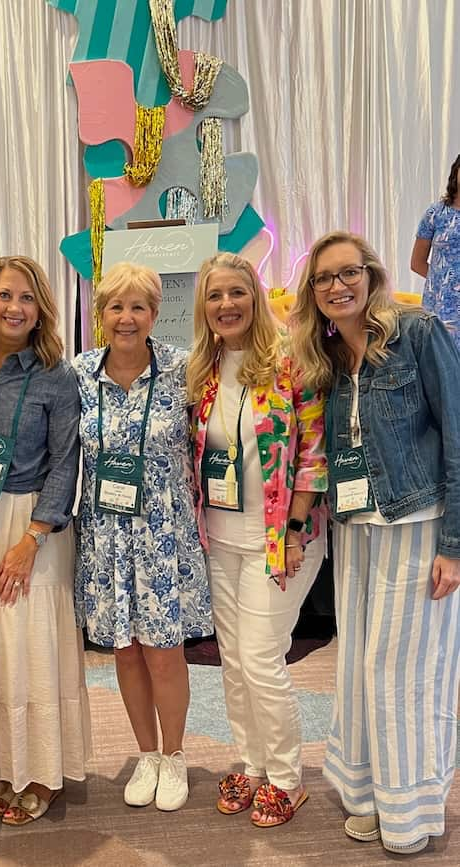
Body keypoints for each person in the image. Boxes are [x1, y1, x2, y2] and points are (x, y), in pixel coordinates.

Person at [291, 230, 460, 855]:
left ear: (371, 275)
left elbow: (458, 435)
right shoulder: (330, 358)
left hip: (415, 528)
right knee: (362, 669)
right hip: (356, 532)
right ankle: (370, 795)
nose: (337, 286)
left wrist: (456, 544)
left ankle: (412, 811)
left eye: (347, 273)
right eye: (323, 278)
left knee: (407, 674)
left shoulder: (418, 334)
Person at [0, 255, 91, 825]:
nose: (15, 308)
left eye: (27, 298)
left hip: (33, 523)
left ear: (41, 309)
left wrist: (32, 539)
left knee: (30, 646)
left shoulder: (56, 373)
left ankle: (40, 770)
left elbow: (65, 462)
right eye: (6, 296)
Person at [187, 251, 327, 828]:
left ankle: (286, 778)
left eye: (237, 293)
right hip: (220, 537)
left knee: (265, 659)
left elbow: (313, 460)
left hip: (281, 540)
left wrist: (294, 532)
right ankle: (250, 762)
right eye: (216, 296)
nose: (227, 305)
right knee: (236, 661)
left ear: (256, 297)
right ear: (205, 305)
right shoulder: (203, 371)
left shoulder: (291, 364)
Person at [73, 262, 211, 812]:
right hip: (104, 533)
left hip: (164, 535)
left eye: (138, 307)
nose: (126, 318)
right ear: (100, 314)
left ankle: (175, 756)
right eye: (115, 307)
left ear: (155, 313)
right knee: (125, 653)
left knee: (163, 653)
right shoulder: (80, 374)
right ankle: (146, 755)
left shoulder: (185, 369)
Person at [411, 153, 460, 349]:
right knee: (441, 364)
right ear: (455, 172)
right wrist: (444, 284)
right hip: (441, 308)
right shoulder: (436, 213)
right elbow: (416, 263)